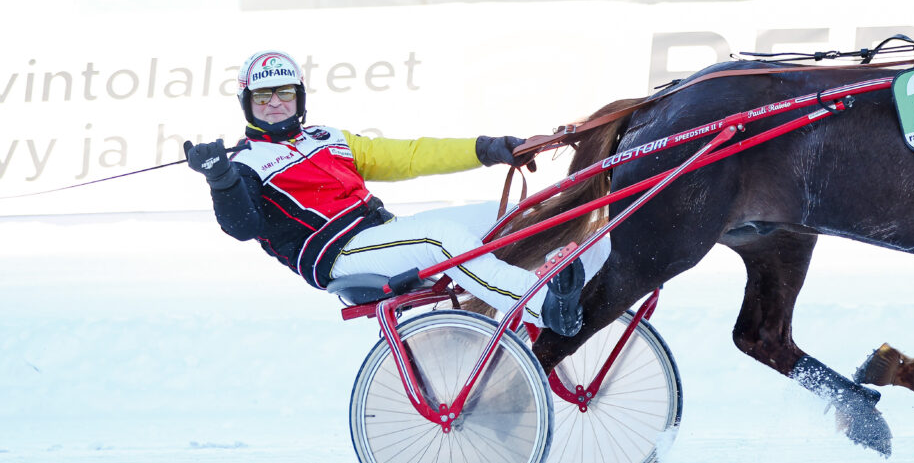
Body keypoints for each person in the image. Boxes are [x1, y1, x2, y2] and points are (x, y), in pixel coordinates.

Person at [185, 50, 607, 336]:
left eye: (284, 93)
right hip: (340, 257)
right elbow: (242, 226)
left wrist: (487, 149)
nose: (275, 103)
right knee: (441, 239)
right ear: (247, 102)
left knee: (524, 214)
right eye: (262, 96)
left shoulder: (327, 137)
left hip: (383, 234)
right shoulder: (243, 164)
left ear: (299, 98)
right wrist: (221, 179)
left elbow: (410, 156)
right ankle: (547, 308)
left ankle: (588, 287)